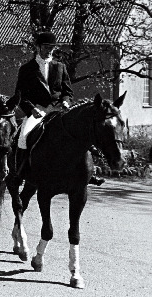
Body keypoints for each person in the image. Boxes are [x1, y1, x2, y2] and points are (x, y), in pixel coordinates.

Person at [13, 32, 104, 185]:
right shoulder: (27, 69)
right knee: (23, 136)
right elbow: (20, 95)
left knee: (82, 131)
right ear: (38, 47)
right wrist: (32, 109)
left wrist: (66, 101)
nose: (49, 50)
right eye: (46, 47)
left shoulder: (60, 66)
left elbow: (67, 91)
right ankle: (21, 171)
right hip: (38, 111)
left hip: (58, 110)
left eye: (51, 47)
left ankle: (88, 172)